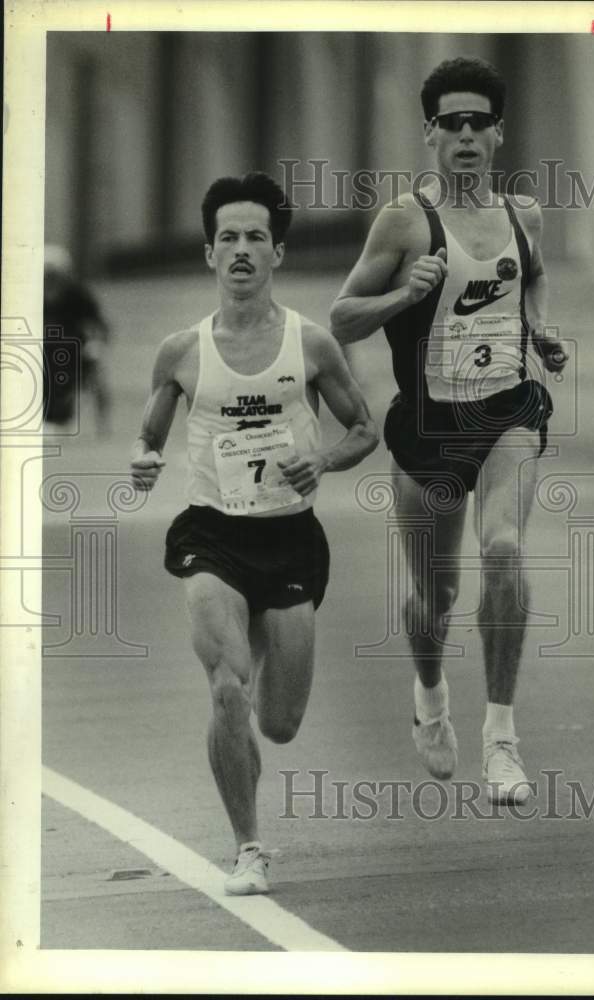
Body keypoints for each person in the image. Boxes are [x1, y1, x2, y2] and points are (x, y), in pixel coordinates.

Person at [130, 173, 378, 894]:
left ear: (278, 254)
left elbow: (364, 428)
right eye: (228, 238)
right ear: (210, 254)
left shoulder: (313, 344)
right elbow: (150, 434)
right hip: (211, 535)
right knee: (225, 691)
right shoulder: (180, 350)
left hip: (290, 539)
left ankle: (249, 700)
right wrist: (143, 461)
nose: (242, 250)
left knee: (278, 723)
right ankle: (247, 847)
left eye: (256, 238)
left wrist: (321, 461)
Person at [330, 57, 568, 804]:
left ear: (499, 133)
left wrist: (540, 331)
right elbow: (341, 319)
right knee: (435, 595)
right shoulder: (404, 220)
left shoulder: (524, 214)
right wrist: (407, 291)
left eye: (478, 122)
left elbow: (529, 280)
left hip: (508, 413)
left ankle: (501, 737)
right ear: (430, 134)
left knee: (502, 547)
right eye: (450, 123)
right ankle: (429, 695)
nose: (465, 136)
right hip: (427, 427)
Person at [43, 244, 112, 435]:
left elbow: (100, 324)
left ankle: (63, 417)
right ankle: (50, 416)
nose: (50, 281)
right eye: (46, 276)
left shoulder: (78, 294)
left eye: (53, 275)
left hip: (75, 351)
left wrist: (97, 344)